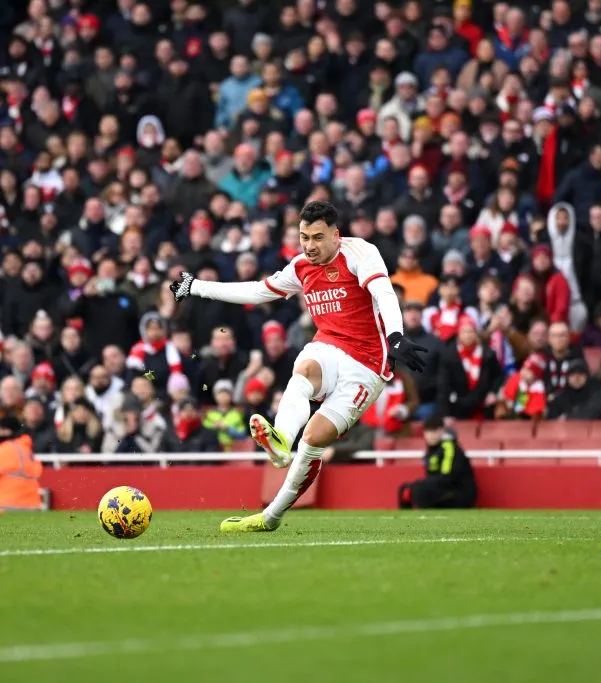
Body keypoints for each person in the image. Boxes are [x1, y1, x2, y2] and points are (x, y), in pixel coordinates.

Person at [170, 200, 427, 532]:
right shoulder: (300, 266)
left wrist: (395, 337)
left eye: (317, 238)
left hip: (367, 363)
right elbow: (259, 292)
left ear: (336, 235)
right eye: (304, 237)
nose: (309, 246)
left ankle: (271, 516)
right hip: (330, 345)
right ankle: (280, 440)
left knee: (314, 440)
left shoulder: (359, 253)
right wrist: (197, 287)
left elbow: (384, 292)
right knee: (303, 369)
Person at [397, 414, 477, 509]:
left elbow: (447, 477)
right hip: (441, 488)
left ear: (441, 431)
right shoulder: (431, 451)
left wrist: (422, 484)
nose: (430, 435)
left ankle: (425, 520)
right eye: (427, 432)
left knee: (420, 490)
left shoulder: (449, 448)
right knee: (404, 489)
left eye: (434, 431)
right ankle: (407, 521)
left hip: (458, 491)